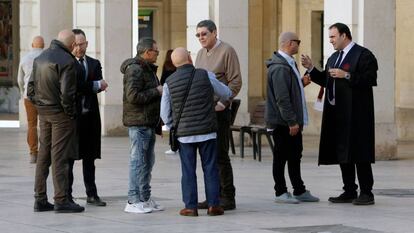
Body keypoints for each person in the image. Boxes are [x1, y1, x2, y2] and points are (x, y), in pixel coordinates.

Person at [301, 22, 378, 205]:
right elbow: (327, 81)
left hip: (358, 115)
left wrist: (347, 75)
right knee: (344, 152)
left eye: (333, 37)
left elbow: (370, 79)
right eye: (329, 37)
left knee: (360, 152)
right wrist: (312, 69)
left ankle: (367, 192)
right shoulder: (334, 58)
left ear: (344, 36)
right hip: (338, 114)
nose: (330, 41)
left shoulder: (363, 55)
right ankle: (349, 190)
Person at [161, 47, 231, 217]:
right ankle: (214, 205)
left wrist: (174, 125)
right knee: (210, 168)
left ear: (173, 63)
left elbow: (164, 113)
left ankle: (191, 207)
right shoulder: (205, 75)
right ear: (190, 58)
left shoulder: (169, 82)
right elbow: (226, 92)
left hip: (185, 135)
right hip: (207, 131)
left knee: (188, 170)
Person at [28, 29, 84, 213]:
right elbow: (67, 94)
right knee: (59, 156)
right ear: (72, 45)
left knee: (44, 154)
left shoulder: (41, 57)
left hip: (44, 112)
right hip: (60, 115)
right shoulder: (67, 60)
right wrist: (69, 113)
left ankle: (40, 198)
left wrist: (42, 106)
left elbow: (30, 90)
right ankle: (61, 200)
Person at [265, 32, 319, 204]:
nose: (299, 44)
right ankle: (280, 192)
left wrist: (300, 82)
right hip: (284, 123)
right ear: (289, 43)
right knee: (281, 157)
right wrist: (292, 121)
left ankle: (299, 189)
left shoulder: (288, 63)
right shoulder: (280, 67)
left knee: (295, 156)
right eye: (298, 41)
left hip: (290, 121)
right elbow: (282, 98)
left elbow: (288, 89)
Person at [195, 19, 242, 211]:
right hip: (204, 111)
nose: (201, 38)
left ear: (214, 33)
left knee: (221, 154)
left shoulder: (227, 50)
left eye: (204, 34)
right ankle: (212, 196)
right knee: (207, 155)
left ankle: (228, 197)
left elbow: (236, 81)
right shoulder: (199, 54)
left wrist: (224, 102)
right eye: (198, 35)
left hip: (220, 110)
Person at [120, 38, 164, 214]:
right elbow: (133, 96)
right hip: (138, 123)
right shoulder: (135, 69)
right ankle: (133, 200)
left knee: (147, 161)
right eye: (156, 51)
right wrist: (157, 91)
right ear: (147, 52)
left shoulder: (147, 68)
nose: (158, 54)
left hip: (148, 122)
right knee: (137, 161)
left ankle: (144, 197)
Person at [67, 29, 108, 206]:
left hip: (90, 117)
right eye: (75, 44)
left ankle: (92, 194)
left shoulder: (94, 63)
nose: (79, 48)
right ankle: (66, 195)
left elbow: (101, 85)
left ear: (87, 44)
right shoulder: (67, 64)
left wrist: (94, 85)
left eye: (82, 44)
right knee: (69, 159)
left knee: (89, 158)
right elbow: (74, 87)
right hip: (72, 119)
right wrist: (93, 84)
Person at [17, 36, 44, 164]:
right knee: (46, 124)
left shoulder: (25, 58)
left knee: (32, 125)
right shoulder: (47, 57)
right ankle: (45, 152)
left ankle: (33, 153)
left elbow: (19, 79)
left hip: (29, 97)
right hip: (45, 97)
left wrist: (24, 93)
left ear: (32, 45)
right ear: (43, 45)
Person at [160, 49, 178, 155]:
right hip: (177, 94)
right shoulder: (177, 67)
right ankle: (177, 146)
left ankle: (173, 147)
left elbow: (163, 80)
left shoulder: (166, 65)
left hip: (169, 94)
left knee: (171, 123)